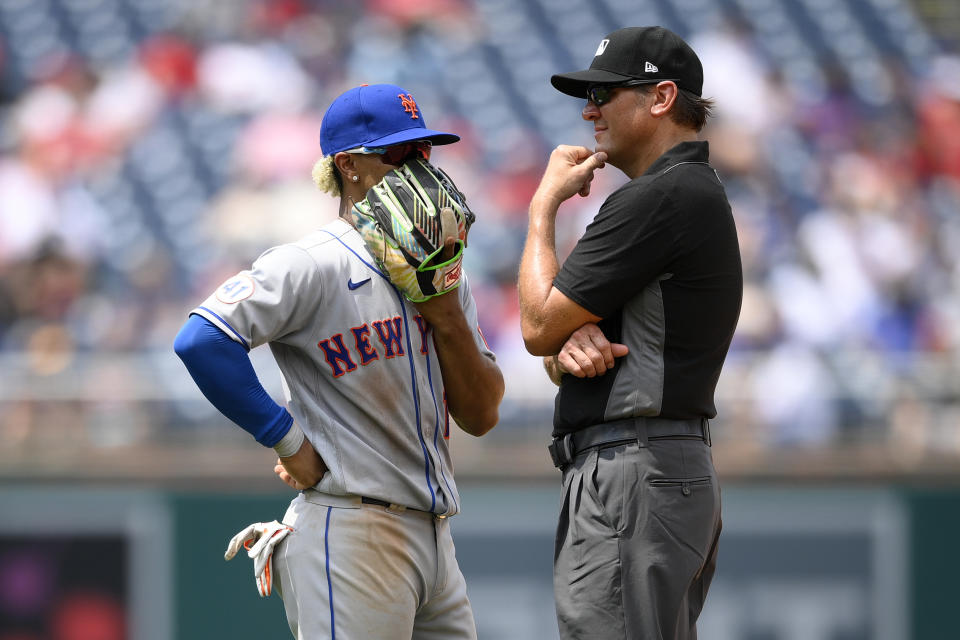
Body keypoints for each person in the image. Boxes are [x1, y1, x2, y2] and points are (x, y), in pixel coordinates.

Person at [174, 83, 504, 639]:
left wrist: (447, 314)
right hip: (352, 527)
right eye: (399, 153)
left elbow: (481, 415)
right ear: (350, 166)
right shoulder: (312, 263)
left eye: (423, 152)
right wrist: (288, 439)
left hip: (435, 536)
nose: (418, 165)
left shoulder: (442, 274)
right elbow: (202, 340)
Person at [517, 27, 743, 640]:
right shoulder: (684, 192)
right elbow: (557, 345)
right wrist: (567, 348)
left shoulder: (662, 196)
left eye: (607, 92)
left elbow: (536, 324)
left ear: (663, 97)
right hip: (655, 464)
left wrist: (542, 211)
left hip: (635, 469)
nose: (589, 110)